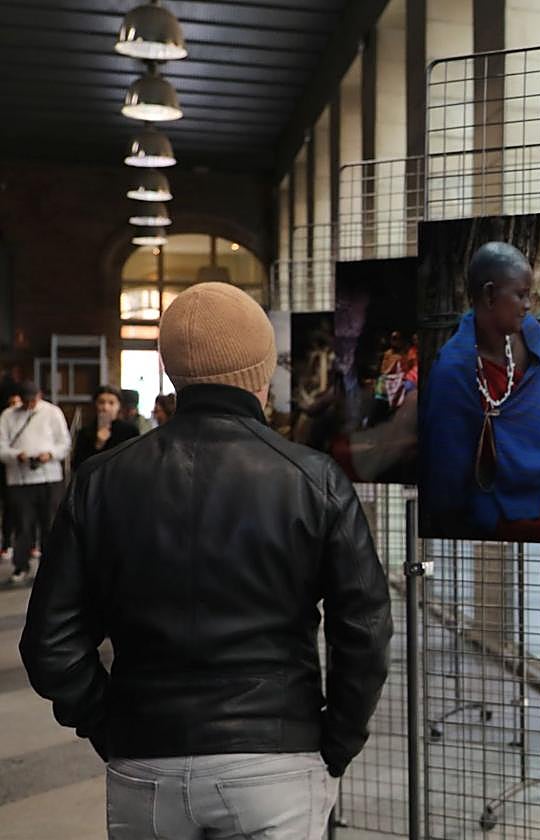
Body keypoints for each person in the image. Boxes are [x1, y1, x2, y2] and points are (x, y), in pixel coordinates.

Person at [20, 282, 392, 839]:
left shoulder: (100, 481)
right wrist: (334, 742)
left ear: (171, 373)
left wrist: (109, 723)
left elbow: (49, 642)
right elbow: (364, 630)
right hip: (276, 758)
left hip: (146, 757)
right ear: (261, 369)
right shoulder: (313, 481)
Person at [421, 242, 540, 542]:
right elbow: (448, 465)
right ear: (491, 295)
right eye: (520, 295)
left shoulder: (531, 334)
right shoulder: (454, 369)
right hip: (496, 486)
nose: (528, 305)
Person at [0, 382, 71, 584]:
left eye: (33, 400)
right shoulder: (8, 415)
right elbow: (1, 446)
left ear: (39, 395)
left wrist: (50, 454)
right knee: (23, 524)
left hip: (49, 477)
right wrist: (16, 455)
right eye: (26, 401)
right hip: (19, 479)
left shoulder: (52, 412)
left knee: (50, 523)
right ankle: (20, 566)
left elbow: (64, 443)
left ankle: (52, 568)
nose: (30, 405)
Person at [71, 386, 139, 470]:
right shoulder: (85, 432)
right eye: (101, 402)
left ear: (119, 405)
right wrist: (98, 444)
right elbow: (78, 465)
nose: (105, 408)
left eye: (111, 403)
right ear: (96, 404)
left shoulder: (130, 431)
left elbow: (135, 459)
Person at [0, 392, 20, 563]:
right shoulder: (6, 418)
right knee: (10, 512)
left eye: (17, 402)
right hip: (9, 474)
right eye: (11, 402)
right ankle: (7, 544)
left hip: (26, 475)